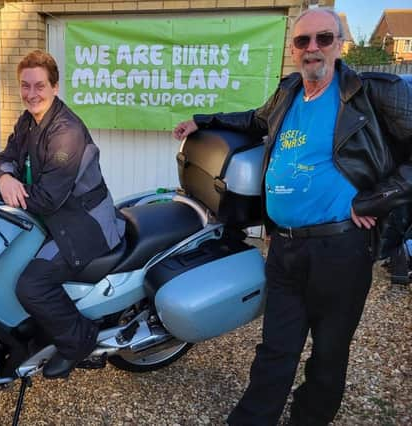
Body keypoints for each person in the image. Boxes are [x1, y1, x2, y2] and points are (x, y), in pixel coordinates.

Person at [173, 8, 412, 426]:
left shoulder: (372, 92)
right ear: (293, 48)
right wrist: (202, 121)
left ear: (340, 44)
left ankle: (309, 417)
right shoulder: (288, 92)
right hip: (283, 245)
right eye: (303, 41)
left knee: (329, 350)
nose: (312, 49)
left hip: (339, 248)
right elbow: (253, 120)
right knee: (275, 347)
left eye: (323, 39)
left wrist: (374, 200)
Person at [0, 50, 125, 379]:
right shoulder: (28, 121)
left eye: (39, 86)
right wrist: (3, 177)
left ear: (55, 87)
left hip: (81, 223)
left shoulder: (65, 132)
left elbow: (45, 199)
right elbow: (5, 157)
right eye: (25, 86)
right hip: (52, 217)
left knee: (31, 285)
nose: (31, 94)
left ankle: (78, 341)